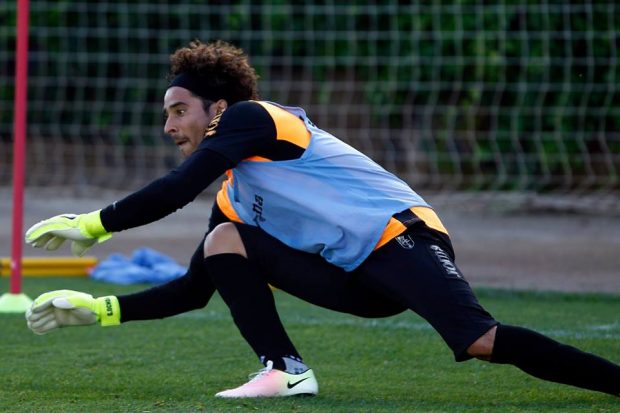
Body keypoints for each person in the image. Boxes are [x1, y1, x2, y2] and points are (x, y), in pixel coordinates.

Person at [25, 39, 620, 399]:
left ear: (220, 109)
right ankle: (285, 371)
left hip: (399, 239)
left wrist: (95, 224)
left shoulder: (255, 118)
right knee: (224, 241)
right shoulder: (234, 193)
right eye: (167, 114)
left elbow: (180, 186)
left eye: (179, 110)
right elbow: (194, 288)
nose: (168, 125)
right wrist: (102, 311)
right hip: (354, 280)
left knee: (481, 340)